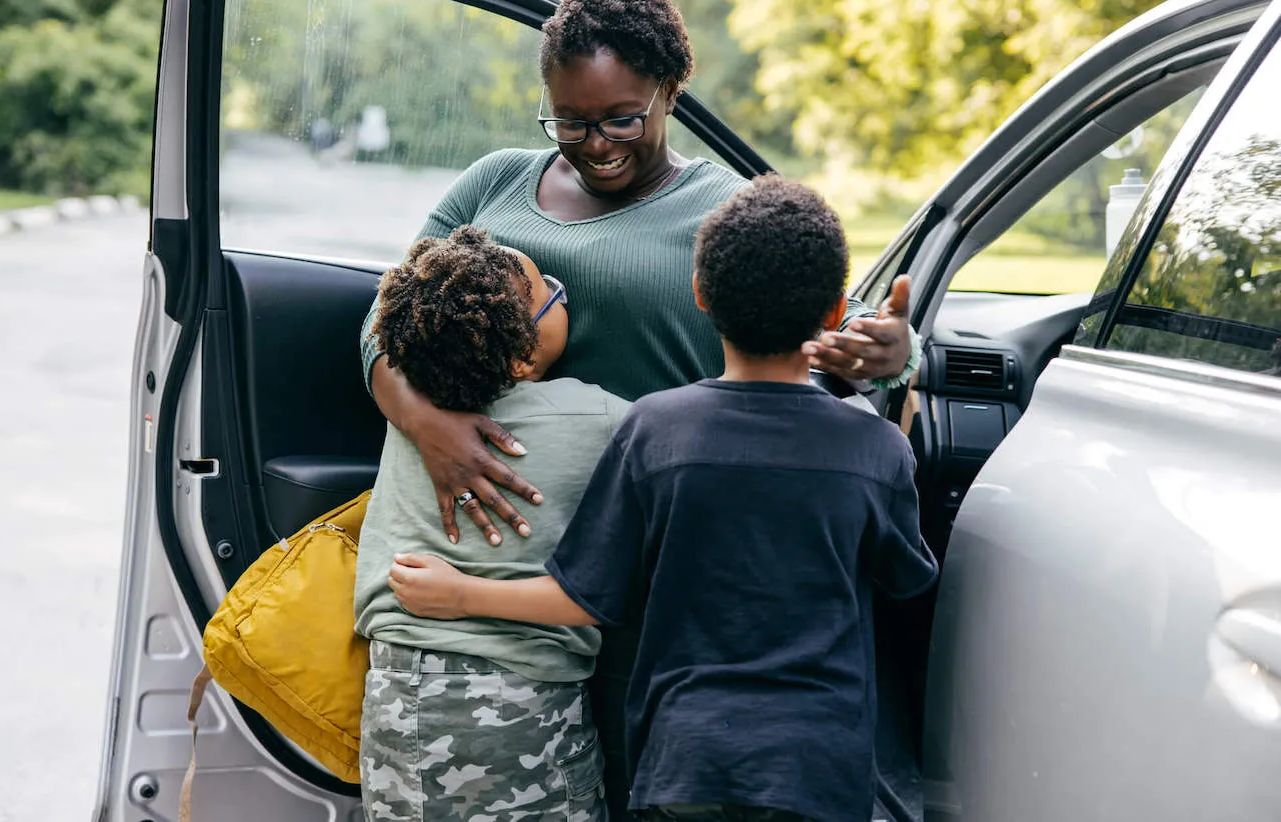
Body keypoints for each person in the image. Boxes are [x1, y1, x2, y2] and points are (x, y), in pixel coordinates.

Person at [359, 0, 921, 818]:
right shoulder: (493, 182)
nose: (596, 142)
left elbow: (792, 360)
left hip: (648, 563)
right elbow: (386, 317)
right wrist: (427, 422)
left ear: (670, 91)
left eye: (622, 116)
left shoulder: (727, 211)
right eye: (569, 122)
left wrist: (885, 361)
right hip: (495, 557)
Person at [387, 176, 941, 822]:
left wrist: (462, 594)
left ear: (699, 293)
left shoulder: (655, 428)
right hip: (816, 766)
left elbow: (589, 594)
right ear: (833, 309)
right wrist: (901, 395)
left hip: (685, 759)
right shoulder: (874, 451)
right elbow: (906, 579)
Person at [354, 225, 629, 822]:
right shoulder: (599, 417)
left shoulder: (413, 420)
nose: (561, 290)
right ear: (523, 355)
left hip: (397, 688)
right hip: (522, 696)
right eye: (544, 288)